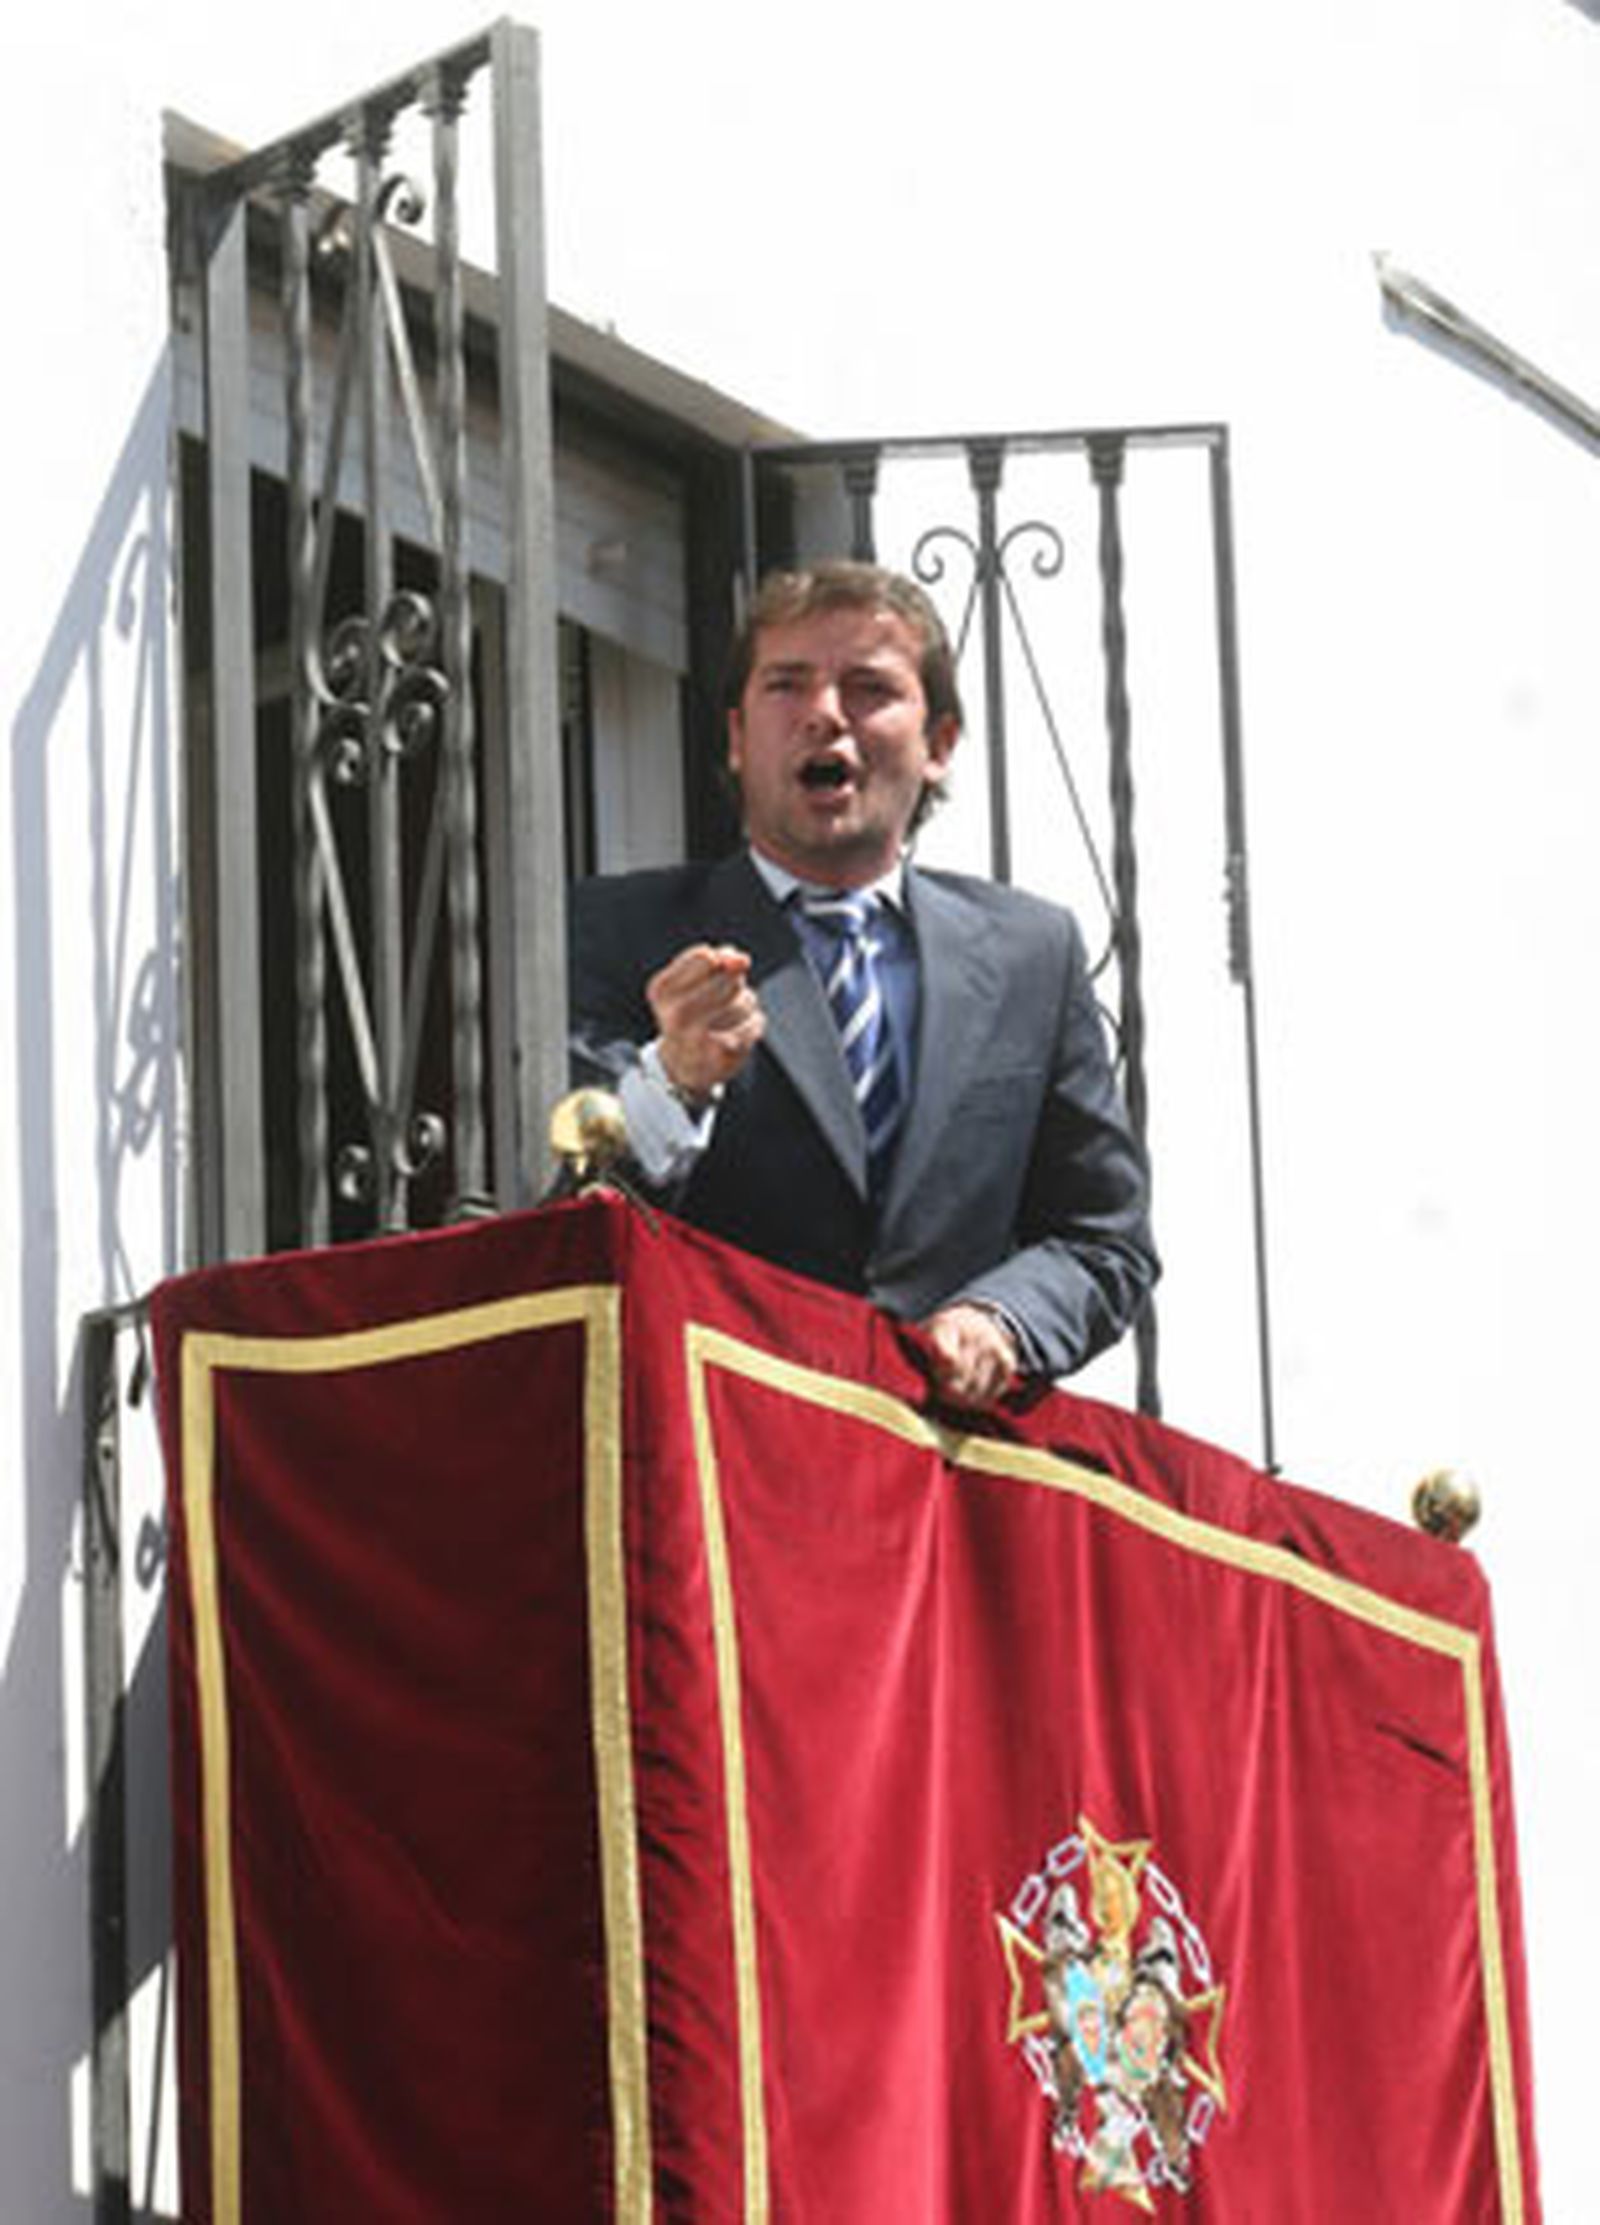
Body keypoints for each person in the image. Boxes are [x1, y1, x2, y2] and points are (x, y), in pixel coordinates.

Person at [568, 559, 1157, 1410]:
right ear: (736, 736)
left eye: (869, 688)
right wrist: (674, 1080)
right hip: (707, 1451)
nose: (824, 714)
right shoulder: (617, 931)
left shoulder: (1035, 952)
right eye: (787, 684)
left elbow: (1104, 1240)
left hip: (935, 1484)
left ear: (940, 744)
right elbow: (552, 1208)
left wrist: (1002, 1318)